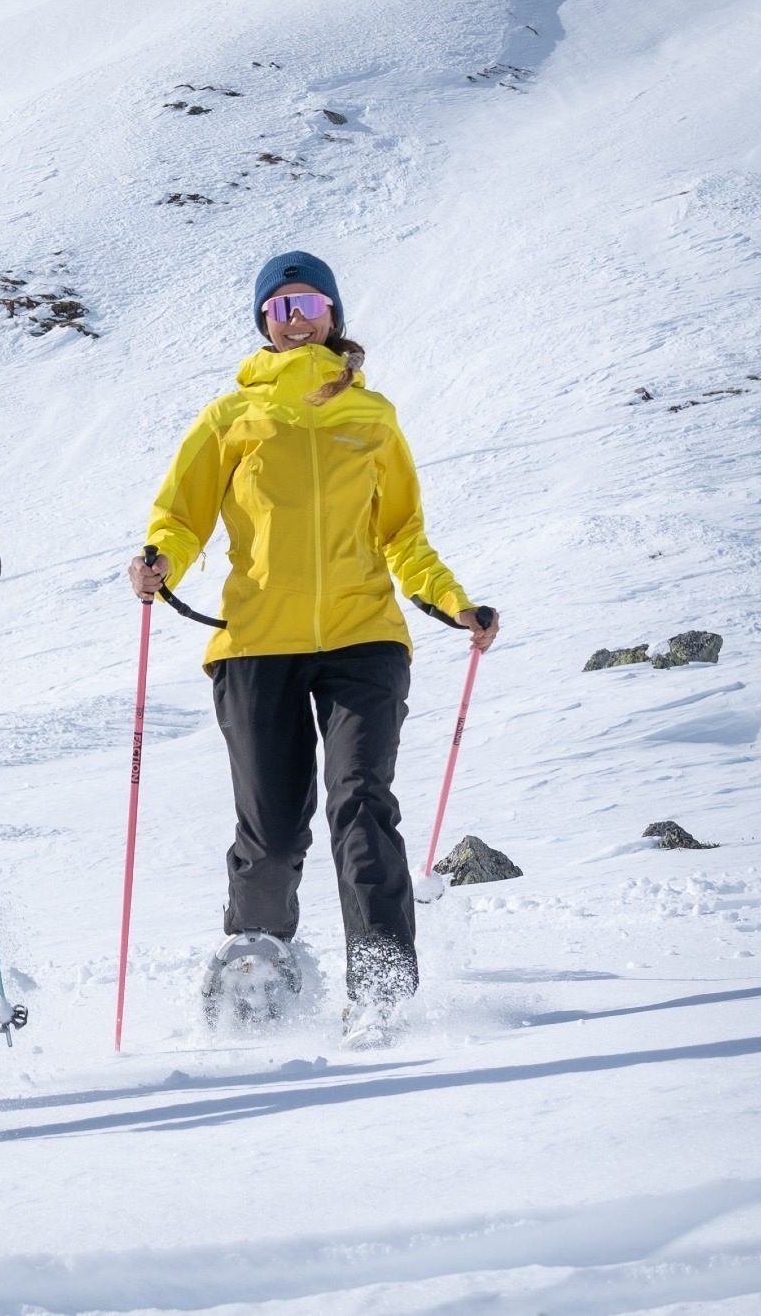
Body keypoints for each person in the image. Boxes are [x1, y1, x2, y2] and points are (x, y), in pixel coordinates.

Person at [130, 251, 502, 1047]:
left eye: (307, 302)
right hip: (256, 643)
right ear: (262, 320)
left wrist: (452, 601)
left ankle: (381, 986)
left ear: (333, 314)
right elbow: (183, 515)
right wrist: (159, 557)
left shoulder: (374, 418)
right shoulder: (230, 417)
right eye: (278, 305)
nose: (293, 316)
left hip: (365, 640)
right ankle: (259, 979)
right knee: (270, 830)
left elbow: (403, 533)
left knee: (362, 803)